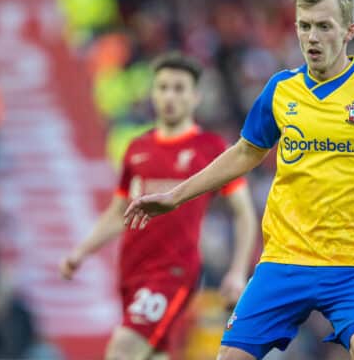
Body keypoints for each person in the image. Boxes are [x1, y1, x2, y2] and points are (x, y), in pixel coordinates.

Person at [125, 0, 354, 360]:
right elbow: (246, 152)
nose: (312, 37)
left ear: (349, 32)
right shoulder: (281, 91)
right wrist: (174, 196)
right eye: (304, 25)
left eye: (324, 26)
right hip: (284, 259)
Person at [60, 53, 258, 360]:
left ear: (195, 97)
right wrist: (81, 251)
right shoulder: (137, 148)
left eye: (179, 88)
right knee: (153, 355)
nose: (169, 96)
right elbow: (118, 212)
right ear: (153, 93)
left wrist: (236, 271)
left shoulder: (211, 148)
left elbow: (243, 212)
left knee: (123, 349)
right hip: (131, 270)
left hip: (173, 270)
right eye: (163, 87)